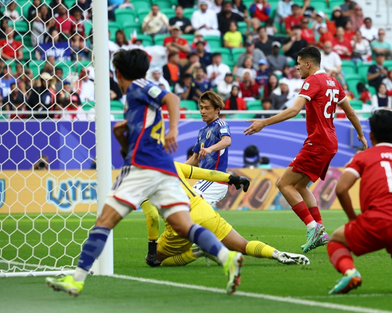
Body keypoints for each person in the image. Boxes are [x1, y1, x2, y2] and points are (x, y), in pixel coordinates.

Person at [45, 50, 244, 296]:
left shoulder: (139, 87)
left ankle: (76, 279)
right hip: (163, 167)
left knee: (103, 222)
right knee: (184, 225)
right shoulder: (136, 100)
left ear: (118, 73)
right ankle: (227, 258)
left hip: (143, 167)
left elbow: (172, 98)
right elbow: (134, 142)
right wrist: (121, 137)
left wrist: (173, 130)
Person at [244, 47, 367, 253]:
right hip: (330, 143)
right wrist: (361, 135)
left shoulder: (311, 81)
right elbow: (351, 112)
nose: (297, 67)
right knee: (301, 186)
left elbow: (294, 110)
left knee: (283, 183)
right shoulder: (334, 82)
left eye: (299, 63)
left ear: (308, 64)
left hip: (318, 143)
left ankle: (312, 227)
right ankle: (320, 231)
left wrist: (263, 123)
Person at [143, 161, 309, 268]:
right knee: (243, 245)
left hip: (180, 223)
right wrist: (233, 179)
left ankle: (199, 252)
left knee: (155, 261)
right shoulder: (172, 164)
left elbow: (152, 216)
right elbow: (208, 174)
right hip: (204, 210)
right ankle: (277, 254)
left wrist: (152, 247)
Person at [327, 109, 392, 294]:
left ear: (371, 136)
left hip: (376, 221)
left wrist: (352, 218)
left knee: (335, 240)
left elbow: (340, 188)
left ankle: (350, 272)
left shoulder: (363, 157)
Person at [183, 91, 232, 206]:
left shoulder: (220, 124)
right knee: (190, 210)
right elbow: (195, 158)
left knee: (189, 204)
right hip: (204, 180)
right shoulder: (202, 131)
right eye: (201, 108)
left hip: (215, 179)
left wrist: (210, 149)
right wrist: (176, 171)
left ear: (217, 109)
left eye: (207, 108)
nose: (203, 111)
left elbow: (227, 140)